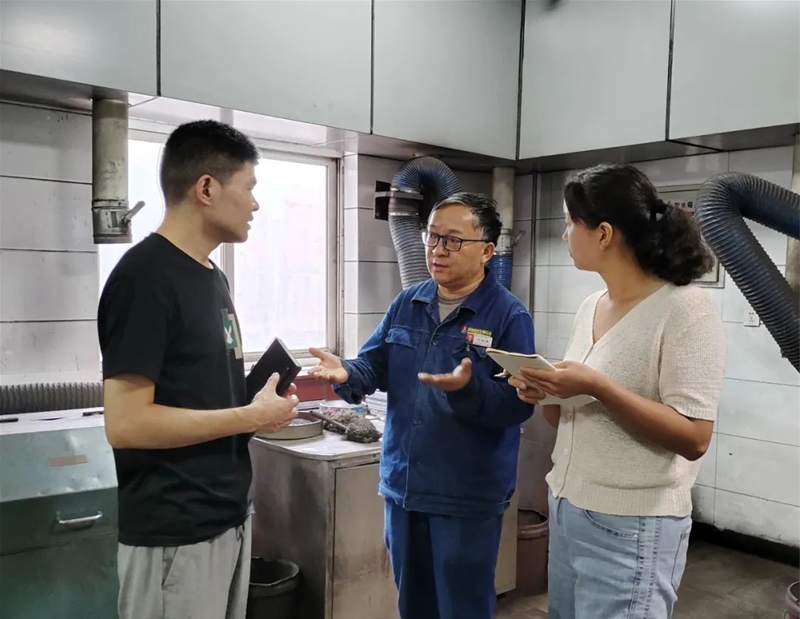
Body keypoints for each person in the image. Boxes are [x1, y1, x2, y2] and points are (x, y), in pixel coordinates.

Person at [97, 120, 299, 619]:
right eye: (248, 188)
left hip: (226, 518)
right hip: (175, 532)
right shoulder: (145, 278)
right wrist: (249, 417)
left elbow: (202, 396)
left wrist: (257, 406)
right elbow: (127, 424)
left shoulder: (212, 276)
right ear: (206, 188)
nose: (255, 204)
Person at [509, 163, 727, 619]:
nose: (565, 235)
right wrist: (546, 391)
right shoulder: (591, 305)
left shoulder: (686, 310)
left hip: (633, 525)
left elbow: (694, 437)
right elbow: (568, 419)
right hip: (568, 507)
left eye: (571, 224)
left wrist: (598, 386)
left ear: (604, 234)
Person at [308, 192, 536, 619]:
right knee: (413, 605)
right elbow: (373, 365)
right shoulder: (408, 302)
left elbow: (517, 405)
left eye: (453, 240)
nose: (437, 250)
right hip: (405, 487)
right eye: (432, 237)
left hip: (465, 497)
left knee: (462, 609)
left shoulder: (508, 316)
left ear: (487, 251)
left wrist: (467, 390)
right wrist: (346, 372)